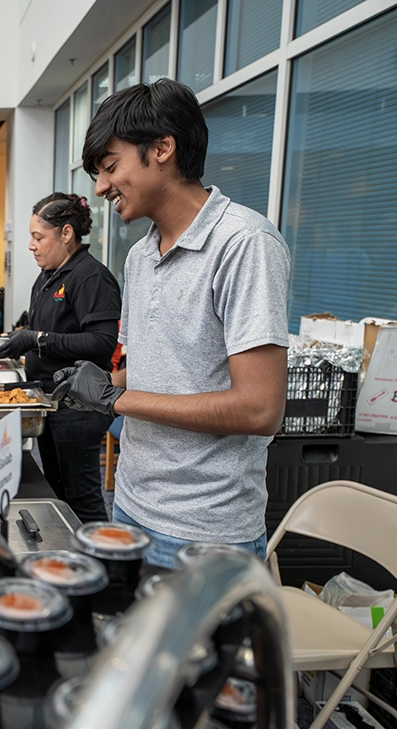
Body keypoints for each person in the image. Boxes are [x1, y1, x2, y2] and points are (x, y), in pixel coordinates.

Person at [58, 78, 289, 567]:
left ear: (162, 148)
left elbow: (259, 408)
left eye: (110, 166)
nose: (100, 188)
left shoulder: (243, 243)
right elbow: (153, 373)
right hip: (129, 506)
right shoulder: (141, 256)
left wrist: (115, 397)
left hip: (203, 533)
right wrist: (97, 385)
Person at [0, 194, 121, 522]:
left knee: (82, 498)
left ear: (66, 233)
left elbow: (102, 342)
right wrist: (14, 341)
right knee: (56, 492)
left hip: (78, 407)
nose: (32, 246)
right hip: (49, 401)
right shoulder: (48, 275)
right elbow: (43, 329)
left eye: (39, 237)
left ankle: (100, 569)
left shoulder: (90, 276)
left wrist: (38, 339)